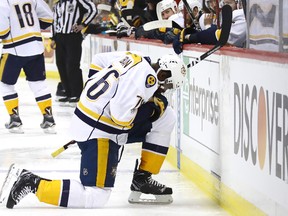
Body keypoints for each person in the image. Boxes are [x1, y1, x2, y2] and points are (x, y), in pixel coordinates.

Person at [0, 51, 187, 208]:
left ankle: (142, 178)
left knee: (166, 116)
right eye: (167, 85)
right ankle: (32, 183)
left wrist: (98, 100)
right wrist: (149, 109)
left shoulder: (134, 57)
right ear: (162, 74)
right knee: (97, 196)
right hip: (100, 131)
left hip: (88, 117)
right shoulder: (149, 79)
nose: (164, 90)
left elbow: (98, 60)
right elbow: (120, 117)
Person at [0, 0, 56, 134]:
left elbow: (3, 31)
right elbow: (48, 17)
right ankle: (49, 119)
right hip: (36, 46)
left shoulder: (4, 2)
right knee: (39, 84)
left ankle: (15, 120)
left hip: (14, 49)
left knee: (5, 84)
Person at [50, 0, 97, 107]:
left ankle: (76, 93)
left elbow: (93, 9)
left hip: (73, 36)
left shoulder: (78, 1)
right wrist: (53, 37)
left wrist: (83, 24)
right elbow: (54, 21)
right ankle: (68, 92)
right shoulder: (58, 3)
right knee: (60, 65)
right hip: (59, 37)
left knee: (72, 65)